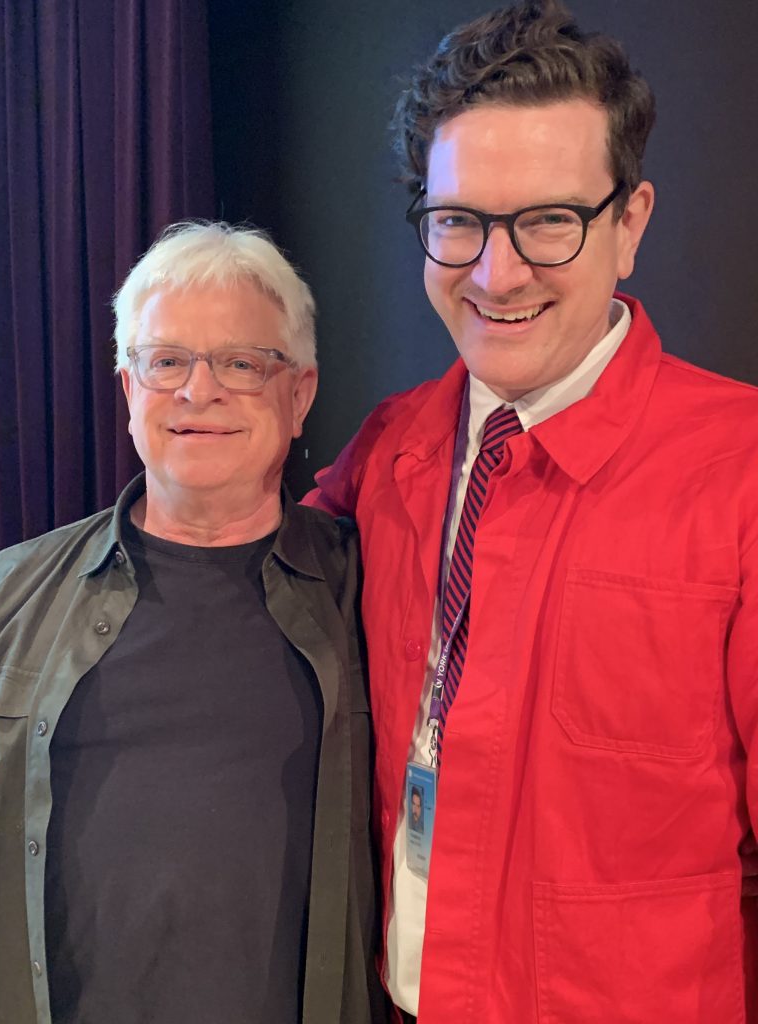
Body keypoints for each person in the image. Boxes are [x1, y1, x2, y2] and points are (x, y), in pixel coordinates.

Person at [306, 1, 758, 1021]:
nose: (495, 273)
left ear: (630, 221)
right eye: (457, 221)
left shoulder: (741, 473)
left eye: (549, 220)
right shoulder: (391, 448)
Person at [0, 222, 386, 1024]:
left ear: (300, 393)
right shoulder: (5, 599)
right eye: (166, 361)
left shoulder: (376, 596)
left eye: (241, 363)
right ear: (131, 390)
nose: (197, 391)